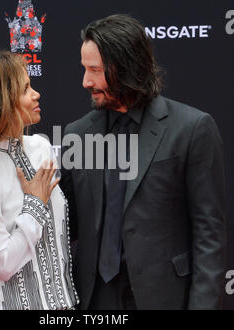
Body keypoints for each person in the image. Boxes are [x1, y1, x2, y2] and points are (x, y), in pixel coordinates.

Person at [60, 14, 226, 310]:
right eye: (85, 69)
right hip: (94, 299)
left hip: (163, 297)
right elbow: (66, 223)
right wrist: (5, 236)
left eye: (95, 71)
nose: (85, 81)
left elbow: (209, 234)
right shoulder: (78, 134)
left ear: (125, 68)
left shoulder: (191, 129)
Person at [0, 50, 79, 310]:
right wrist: (33, 204)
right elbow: (4, 264)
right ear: (0, 103)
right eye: (25, 90)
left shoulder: (41, 147)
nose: (36, 94)